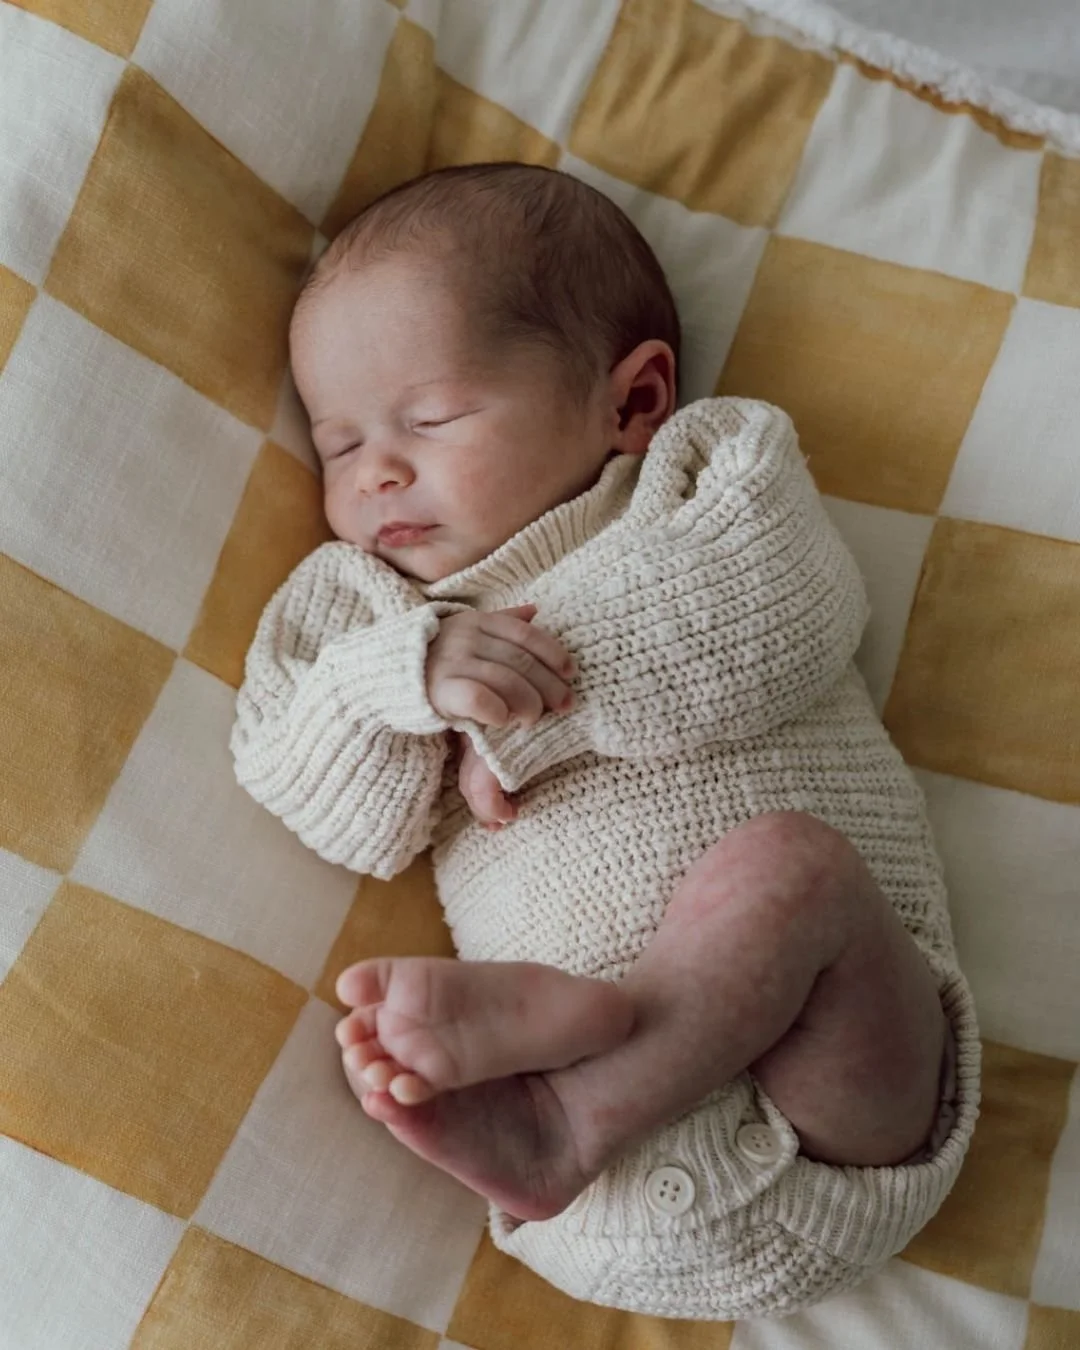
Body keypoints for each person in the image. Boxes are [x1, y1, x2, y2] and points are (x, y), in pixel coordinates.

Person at [231, 162, 978, 1320]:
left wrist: (531, 714)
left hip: (849, 1120)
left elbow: (784, 604)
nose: (377, 471)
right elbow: (324, 804)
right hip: (605, 1217)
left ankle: (574, 1108)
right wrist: (408, 680)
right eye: (337, 445)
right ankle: (575, 1071)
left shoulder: (698, 480)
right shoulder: (362, 613)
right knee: (757, 884)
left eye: (429, 421)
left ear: (632, 402)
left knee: (794, 874)